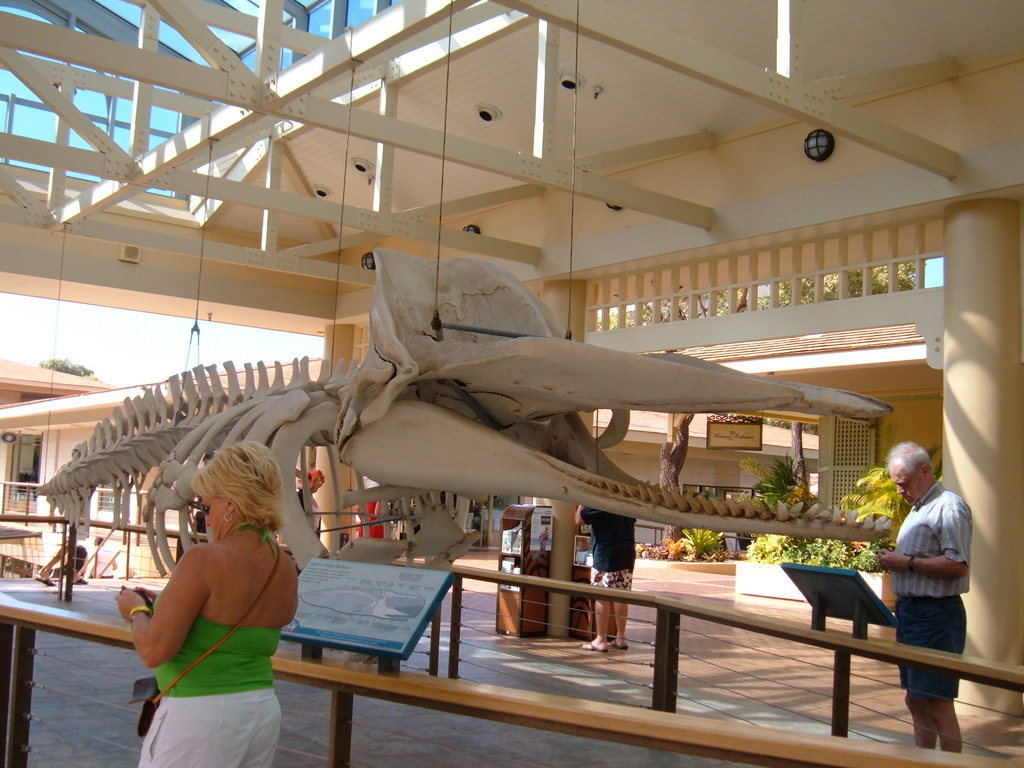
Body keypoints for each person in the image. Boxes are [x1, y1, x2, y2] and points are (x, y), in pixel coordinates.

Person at [115, 442, 299, 768]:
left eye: (207, 507)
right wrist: (173, 605)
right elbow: (234, 619)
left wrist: (136, 610)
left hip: (200, 717)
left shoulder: (204, 558)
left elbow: (153, 650)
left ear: (230, 504)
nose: (207, 520)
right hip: (260, 711)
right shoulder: (282, 565)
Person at [877, 441, 972, 753]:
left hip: (936, 617)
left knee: (937, 703)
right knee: (916, 699)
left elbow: (958, 565)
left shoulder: (949, 507)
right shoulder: (919, 509)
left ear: (924, 471)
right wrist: (897, 559)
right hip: (912, 614)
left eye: (903, 484)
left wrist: (908, 563)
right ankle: (922, 760)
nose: (900, 492)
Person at [575, 504, 635, 652]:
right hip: (626, 552)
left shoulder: (600, 502)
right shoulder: (625, 500)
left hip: (605, 553)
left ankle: (601, 639)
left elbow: (578, 520)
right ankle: (620, 637)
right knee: (622, 595)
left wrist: (582, 502)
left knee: (601, 595)